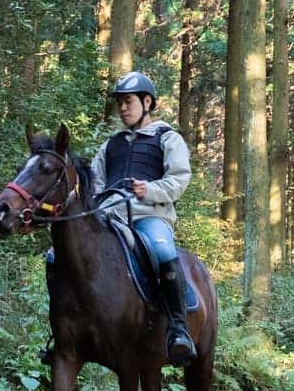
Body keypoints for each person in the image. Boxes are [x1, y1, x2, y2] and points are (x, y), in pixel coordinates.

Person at [91, 70, 197, 367]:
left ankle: (179, 329)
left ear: (147, 101)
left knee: (163, 251)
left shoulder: (168, 138)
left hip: (150, 216)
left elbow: (178, 180)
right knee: (60, 255)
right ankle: (63, 333)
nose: (122, 108)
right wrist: (101, 201)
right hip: (110, 218)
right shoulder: (110, 145)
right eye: (120, 104)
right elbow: (96, 181)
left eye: (128, 102)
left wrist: (149, 189)